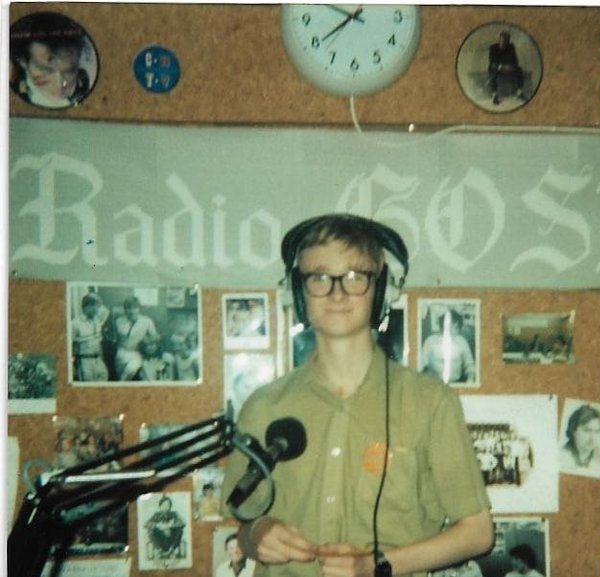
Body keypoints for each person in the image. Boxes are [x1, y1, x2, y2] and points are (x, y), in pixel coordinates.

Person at [221, 213, 493, 577]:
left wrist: (376, 566)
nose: (336, 293)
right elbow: (243, 521)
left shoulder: (430, 401)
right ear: (299, 295)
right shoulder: (263, 406)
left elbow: (477, 533)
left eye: (354, 277)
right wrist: (257, 535)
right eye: (319, 277)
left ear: (379, 290)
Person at [9, 12, 92, 108]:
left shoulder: (84, 90)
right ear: (23, 62)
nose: (60, 84)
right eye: (45, 70)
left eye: (70, 70)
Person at [420, 309, 476, 384]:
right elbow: (421, 362)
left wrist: (470, 379)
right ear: (442, 326)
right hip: (433, 383)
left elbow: (469, 364)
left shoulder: (463, 342)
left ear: (459, 329)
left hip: (456, 383)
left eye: (455, 327)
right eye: (448, 326)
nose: (451, 331)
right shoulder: (430, 340)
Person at [114, 296, 159, 380]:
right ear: (125, 310)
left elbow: (155, 337)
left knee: (130, 370)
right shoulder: (119, 321)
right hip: (121, 352)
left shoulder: (146, 321)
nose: (131, 311)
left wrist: (147, 343)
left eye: (134, 308)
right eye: (128, 308)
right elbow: (114, 338)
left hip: (137, 352)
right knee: (121, 376)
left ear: (139, 309)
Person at [70, 292, 110, 381]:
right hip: (84, 361)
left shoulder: (97, 321)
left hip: (99, 360)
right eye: (92, 306)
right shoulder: (75, 323)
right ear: (84, 307)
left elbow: (106, 311)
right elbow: (68, 346)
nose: (95, 309)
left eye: (97, 306)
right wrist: (71, 366)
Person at [559, 404, 600, 473]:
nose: (592, 438)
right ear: (574, 430)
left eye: (597, 431)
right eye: (587, 430)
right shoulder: (562, 456)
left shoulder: (599, 460)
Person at [487, 30, 523, 105]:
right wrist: (501, 66)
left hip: (508, 68)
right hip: (497, 68)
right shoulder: (493, 47)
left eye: (506, 41)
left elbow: (515, 60)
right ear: (499, 40)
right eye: (502, 41)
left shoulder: (511, 47)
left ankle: (519, 93)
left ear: (508, 41)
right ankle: (495, 96)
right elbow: (492, 61)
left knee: (519, 70)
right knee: (492, 71)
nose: (503, 43)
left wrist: (511, 66)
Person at [145, 495, 186, 559]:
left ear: (170, 506)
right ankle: (159, 550)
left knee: (179, 529)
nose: (166, 507)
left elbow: (182, 523)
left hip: (171, 539)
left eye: (168, 505)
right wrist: (158, 525)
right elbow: (147, 524)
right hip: (160, 539)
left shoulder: (174, 514)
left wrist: (169, 525)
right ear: (160, 505)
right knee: (150, 530)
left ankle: (172, 550)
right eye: (164, 504)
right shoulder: (156, 515)